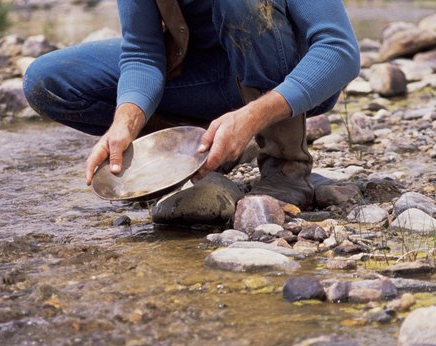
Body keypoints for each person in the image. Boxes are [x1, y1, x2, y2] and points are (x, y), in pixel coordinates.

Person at [23, 0, 360, 209]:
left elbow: (338, 51)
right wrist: (125, 122)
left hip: (289, 78)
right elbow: (142, 52)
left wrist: (252, 116)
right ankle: (201, 149)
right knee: (49, 80)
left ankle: (286, 168)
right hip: (206, 75)